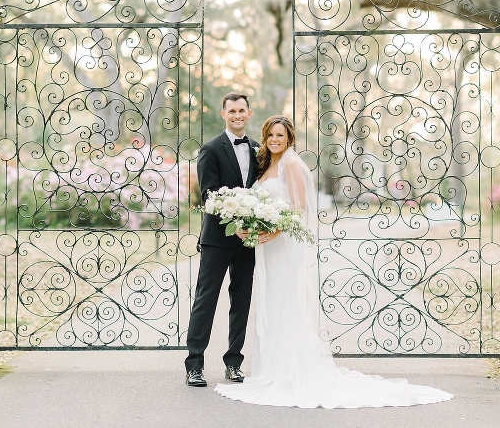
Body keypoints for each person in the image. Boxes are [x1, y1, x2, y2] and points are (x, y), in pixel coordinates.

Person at [214, 115, 454, 407]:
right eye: (270, 135)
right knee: (271, 302)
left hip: (284, 244)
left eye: (280, 135)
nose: (274, 140)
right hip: (268, 245)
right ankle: (272, 368)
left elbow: (298, 208)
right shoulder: (266, 164)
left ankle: (291, 370)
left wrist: (275, 230)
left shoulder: (290, 164)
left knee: (284, 301)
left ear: (289, 138)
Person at [184, 92, 261, 387]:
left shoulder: (257, 148)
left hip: (248, 241)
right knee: (206, 300)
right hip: (218, 239)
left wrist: (251, 226)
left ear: (249, 113)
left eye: (242, 110)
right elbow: (208, 195)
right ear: (224, 114)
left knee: (241, 302)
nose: (237, 115)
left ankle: (234, 363)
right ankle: (194, 365)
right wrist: (235, 222)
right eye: (232, 111)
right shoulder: (210, 149)